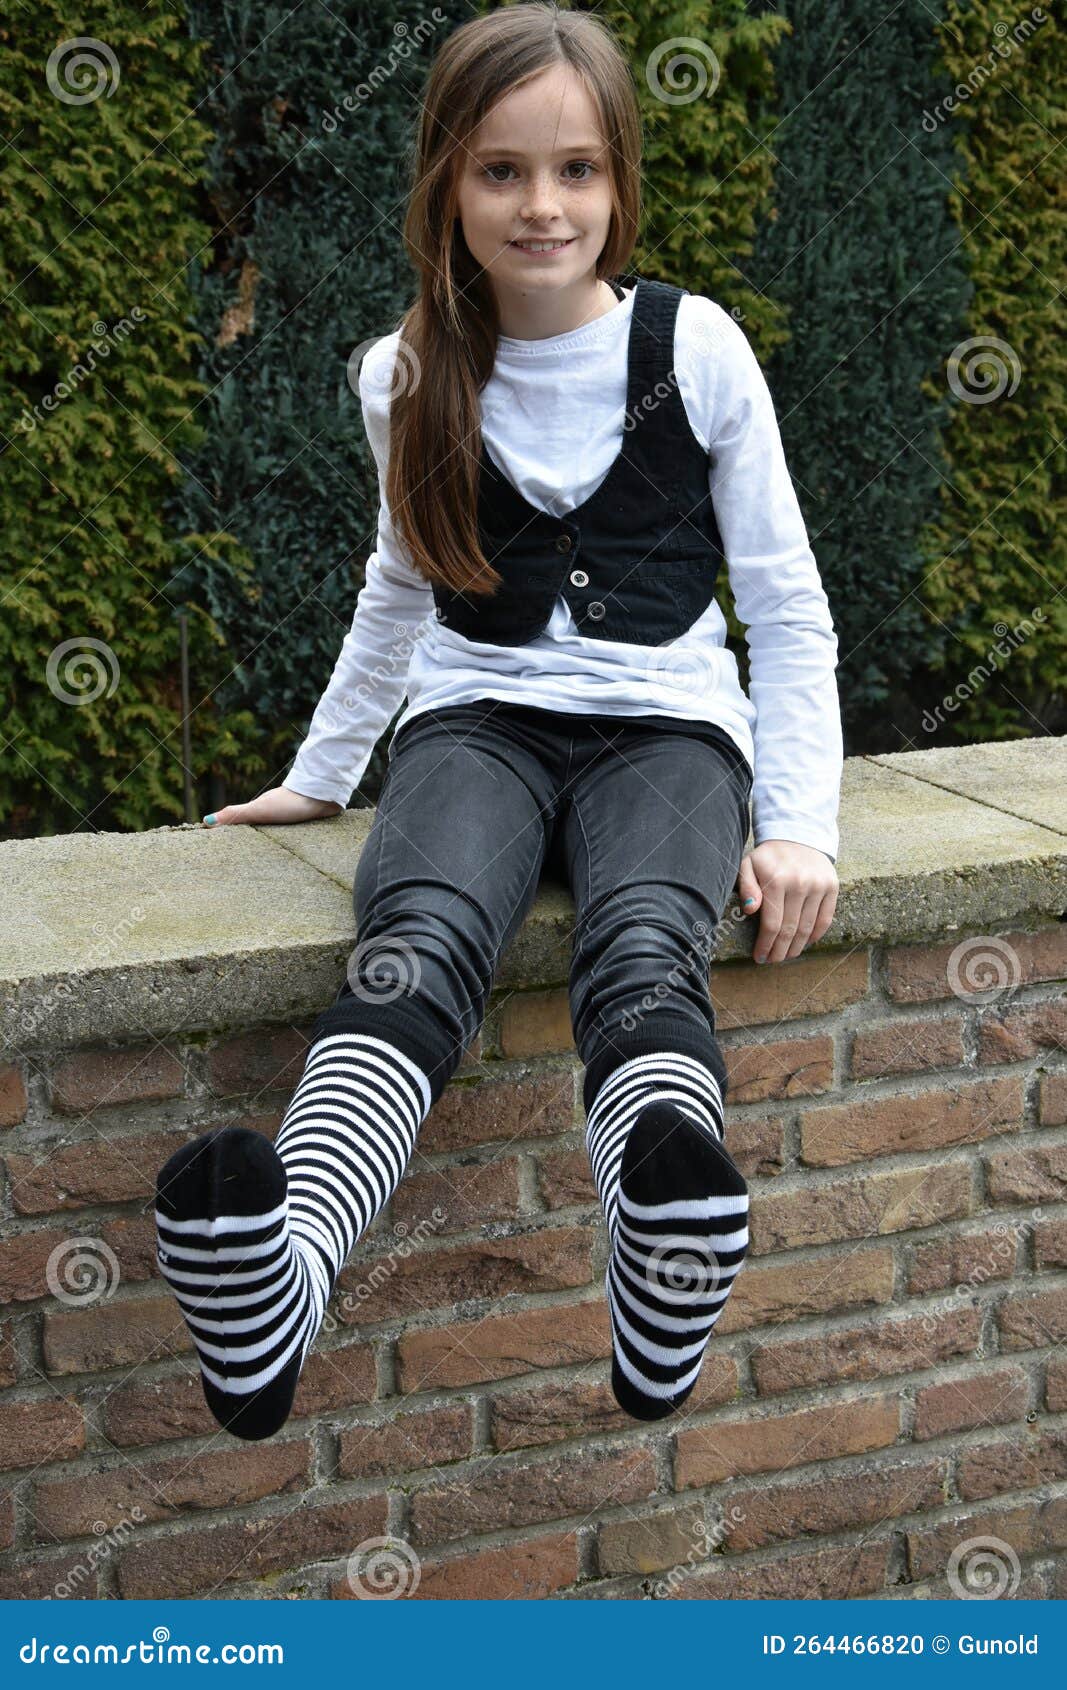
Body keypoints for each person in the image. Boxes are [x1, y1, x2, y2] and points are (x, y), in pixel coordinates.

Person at [155, 2, 842, 1443]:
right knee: (412, 940)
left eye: (578, 171)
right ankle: (283, 1278)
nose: (544, 206)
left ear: (620, 186)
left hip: (666, 733)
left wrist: (797, 826)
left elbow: (786, 608)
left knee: (645, 941)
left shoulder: (697, 347)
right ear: (446, 187)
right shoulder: (402, 372)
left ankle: (660, 1258)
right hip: (478, 723)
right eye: (503, 172)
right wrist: (317, 775)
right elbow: (398, 593)